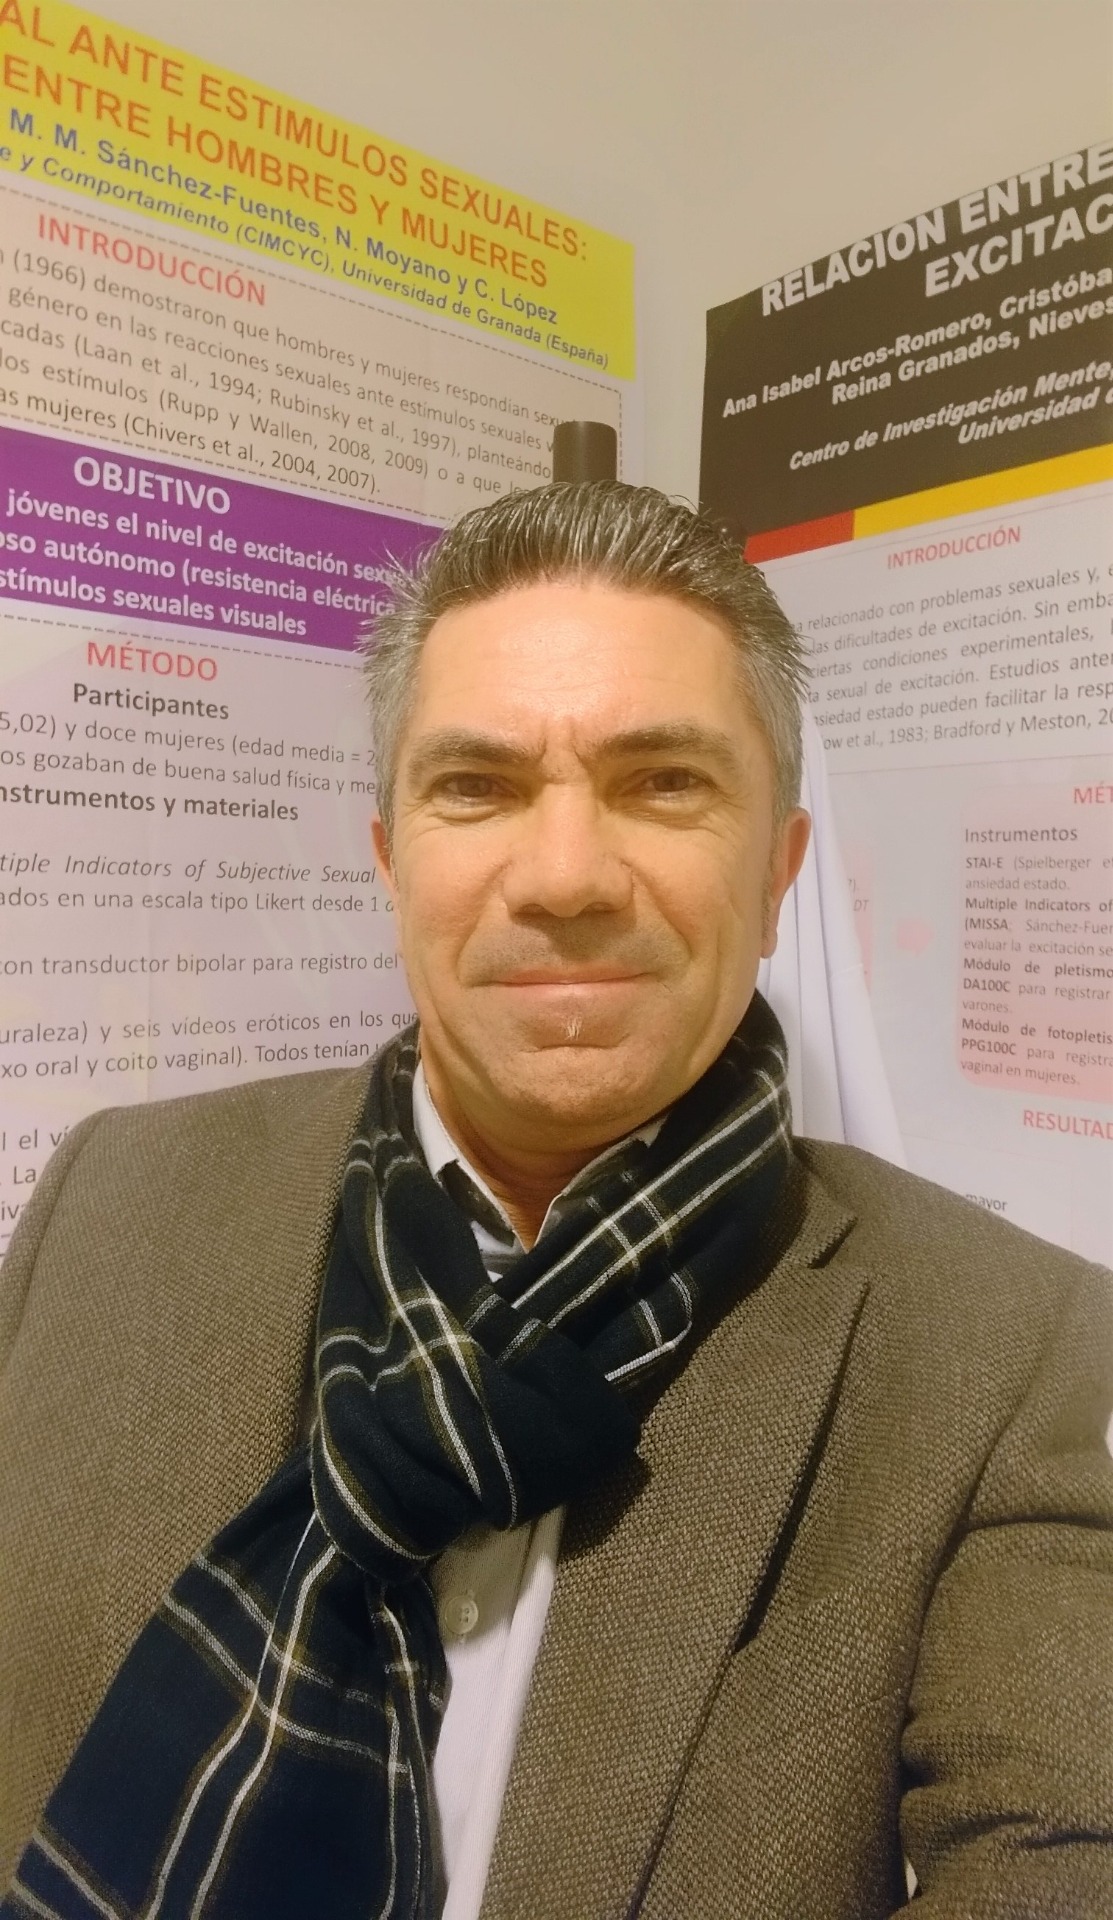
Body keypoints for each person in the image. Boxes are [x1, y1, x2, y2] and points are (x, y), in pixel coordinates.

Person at [0, 482, 1110, 1920]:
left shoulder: (1008, 1349)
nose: (567, 877)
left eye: (664, 781)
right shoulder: (112, 1197)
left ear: (777, 870)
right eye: (477, 785)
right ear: (391, 858)